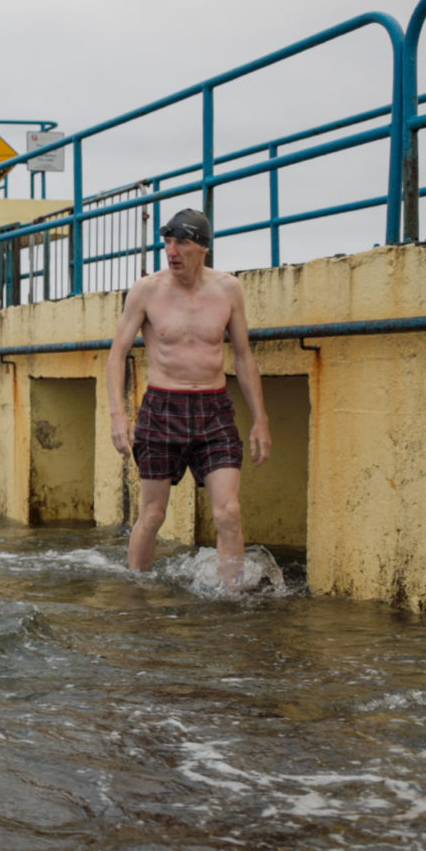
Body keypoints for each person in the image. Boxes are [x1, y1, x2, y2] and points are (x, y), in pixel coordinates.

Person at [106, 208, 271, 587]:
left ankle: (231, 603)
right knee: (153, 514)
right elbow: (117, 354)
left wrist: (261, 418)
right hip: (162, 408)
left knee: (228, 512)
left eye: (181, 242)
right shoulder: (147, 290)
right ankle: (137, 596)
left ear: (202, 248)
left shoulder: (228, 289)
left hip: (214, 411)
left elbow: (244, 357)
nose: (172, 251)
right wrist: (118, 415)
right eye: (167, 242)